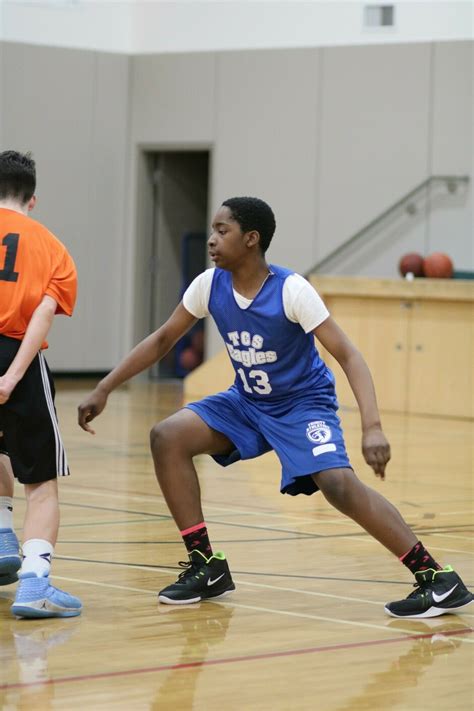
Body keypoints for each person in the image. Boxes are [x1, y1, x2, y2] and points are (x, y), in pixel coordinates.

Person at [78, 196, 473, 618]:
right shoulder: (209, 285)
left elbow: (349, 355)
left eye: (222, 231)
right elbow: (162, 340)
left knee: (338, 486)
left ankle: (436, 578)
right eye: (212, 230)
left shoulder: (291, 290)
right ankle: (206, 566)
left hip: (303, 405)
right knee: (167, 436)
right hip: (246, 401)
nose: (212, 240)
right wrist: (105, 387)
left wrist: (372, 426)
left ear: (251, 239)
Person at [0, 150, 82, 619]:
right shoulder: (51, 246)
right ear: (32, 199)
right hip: (18, 358)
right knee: (42, 485)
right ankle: (34, 583)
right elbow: (43, 313)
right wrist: (11, 376)